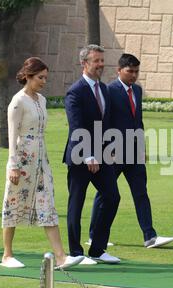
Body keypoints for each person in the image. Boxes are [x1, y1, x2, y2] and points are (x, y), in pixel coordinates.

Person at [0, 57, 83, 269]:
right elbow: (12, 135)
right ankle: (7, 255)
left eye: (46, 77)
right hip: (22, 157)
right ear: (28, 76)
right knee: (13, 202)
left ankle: (61, 257)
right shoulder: (18, 101)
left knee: (48, 203)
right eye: (40, 77)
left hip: (41, 158)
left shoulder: (42, 100)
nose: (44, 81)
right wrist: (13, 165)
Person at [87, 54, 173, 248]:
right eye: (130, 71)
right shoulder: (109, 91)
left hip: (134, 152)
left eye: (136, 71)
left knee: (140, 192)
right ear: (119, 70)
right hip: (113, 152)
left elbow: (138, 122)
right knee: (105, 193)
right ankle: (94, 236)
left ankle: (150, 236)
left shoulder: (137, 90)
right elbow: (104, 121)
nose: (134, 75)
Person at [63, 44, 121, 265]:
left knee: (112, 197)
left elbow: (107, 123)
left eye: (102, 60)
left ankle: (97, 249)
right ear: (84, 64)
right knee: (76, 203)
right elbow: (76, 126)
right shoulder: (75, 92)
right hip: (80, 157)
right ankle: (76, 253)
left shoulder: (104, 89)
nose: (101, 65)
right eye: (96, 61)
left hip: (103, 156)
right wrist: (88, 156)